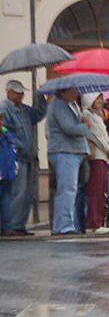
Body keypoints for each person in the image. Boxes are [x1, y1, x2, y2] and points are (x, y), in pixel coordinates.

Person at [0, 79, 48, 235]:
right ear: (9, 92)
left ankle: (20, 225)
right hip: (16, 158)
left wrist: (41, 96)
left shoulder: (24, 110)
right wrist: (16, 146)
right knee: (18, 192)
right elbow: (5, 132)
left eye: (22, 93)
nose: (21, 96)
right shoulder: (4, 110)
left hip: (29, 158)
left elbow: (38, 114)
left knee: (28, 192)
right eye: (18, 93)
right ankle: (12, 225)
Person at [46, 87, 90, 235]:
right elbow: (69, 128)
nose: (76, 93)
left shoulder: (67, 105)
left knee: (69, 190)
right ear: (63, 92)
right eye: (73, 90)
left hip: (71, 151)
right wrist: (85, 126)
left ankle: (64, 223)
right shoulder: (59, 105)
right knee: (67, 190)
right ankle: (63, 225)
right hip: (65, 151)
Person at [81, 92, 109, 234]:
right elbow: (95, 135)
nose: (101, 101)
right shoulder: (87, 115)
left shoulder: (97, 115)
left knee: (101, 190)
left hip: (103, 156)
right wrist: (108, 148)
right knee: (95, 190)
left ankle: (97, 221)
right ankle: (93, 223)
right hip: (97, 157)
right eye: (98, 98)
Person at [0, 112, 16, 235]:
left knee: (7, 201)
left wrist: (14, 168)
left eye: (1, 119)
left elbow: (12, 153)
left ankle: (7, 227)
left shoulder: (6, 135)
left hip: (7, 174)